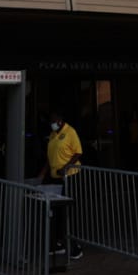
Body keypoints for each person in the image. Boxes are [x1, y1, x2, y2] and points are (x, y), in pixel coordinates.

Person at [39, 110, 83, 260]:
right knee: (56, 212)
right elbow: (50, 156)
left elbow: (78, 152)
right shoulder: (53, 135)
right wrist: (43, 172)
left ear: (59, 120)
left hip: (69, 177)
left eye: (53, 120)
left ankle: (74, 246)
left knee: (66, 213)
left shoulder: (70, 132)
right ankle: (59, 243)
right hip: (55, 178)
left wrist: (67, 167)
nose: (51, 123)